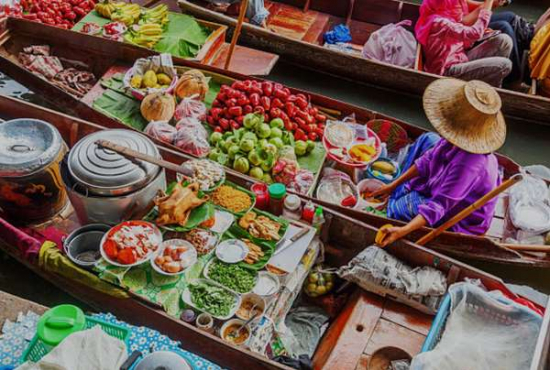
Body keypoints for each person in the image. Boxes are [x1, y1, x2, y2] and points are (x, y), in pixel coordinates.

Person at [369, 78, 506, 247]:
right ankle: (400, 190)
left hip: (458, 214)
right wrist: (392, 185)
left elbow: (440, 205)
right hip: (451, 181)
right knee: (428, 139)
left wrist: (402, 231)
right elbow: (427, 161)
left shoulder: (469, 164)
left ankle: (401, 198)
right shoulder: (457, 140)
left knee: (396, 210)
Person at [415, 0, 513, 87]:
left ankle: (491, 87)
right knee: (505, 65)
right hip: (446, 73)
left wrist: (484, 32)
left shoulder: (448, 14)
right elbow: (475, 33)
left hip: (460, 57)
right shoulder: (441, 23)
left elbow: (466, 40)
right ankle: (488, 92)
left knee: (504, 41)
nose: (459, 9)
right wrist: (488, 4)